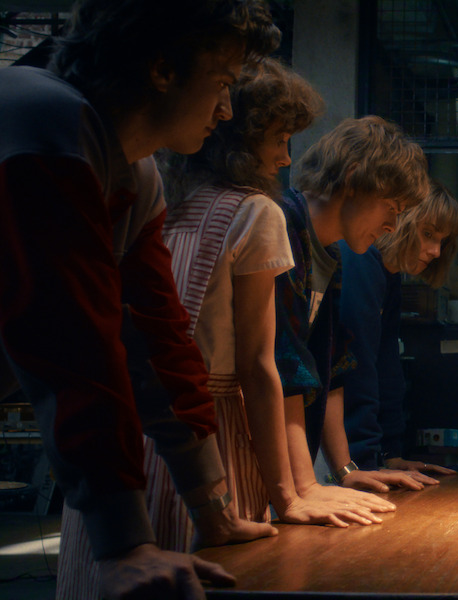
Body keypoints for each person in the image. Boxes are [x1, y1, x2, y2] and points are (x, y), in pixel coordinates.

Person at [0, 1, 280, 598]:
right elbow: (71, 341)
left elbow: (157, 337)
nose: (227, 110)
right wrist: (125, 544)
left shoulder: (136, 171)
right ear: (161, 68)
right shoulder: (42, 118)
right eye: (223, 84)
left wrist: (213, 508)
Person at [159, 56, 391, 527]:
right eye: (280, 140)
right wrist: (293, 494)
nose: (286, 158)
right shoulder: (257, 213)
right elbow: (265, 366)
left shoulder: (160, 192)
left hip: (145, 423)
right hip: (216, 429)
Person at [273, 115, 434, 497]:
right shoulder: (281, 226)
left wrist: (346, 470)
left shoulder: (330, 252)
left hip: (285, 474)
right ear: (354, 178)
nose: (394, 225)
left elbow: (332, 365)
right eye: (392, 208)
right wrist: (305, 486)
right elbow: (282, 370)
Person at [339, 180, 458, 478]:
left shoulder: (389, 276)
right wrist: (365, 462)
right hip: (333, 452)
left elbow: (386, 365)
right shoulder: (360, 260)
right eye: (428, 234)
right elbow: (356, 368)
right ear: (400, 221)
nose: (435, 251)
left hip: (358, 452)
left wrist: (391, 455)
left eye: (442, 241)